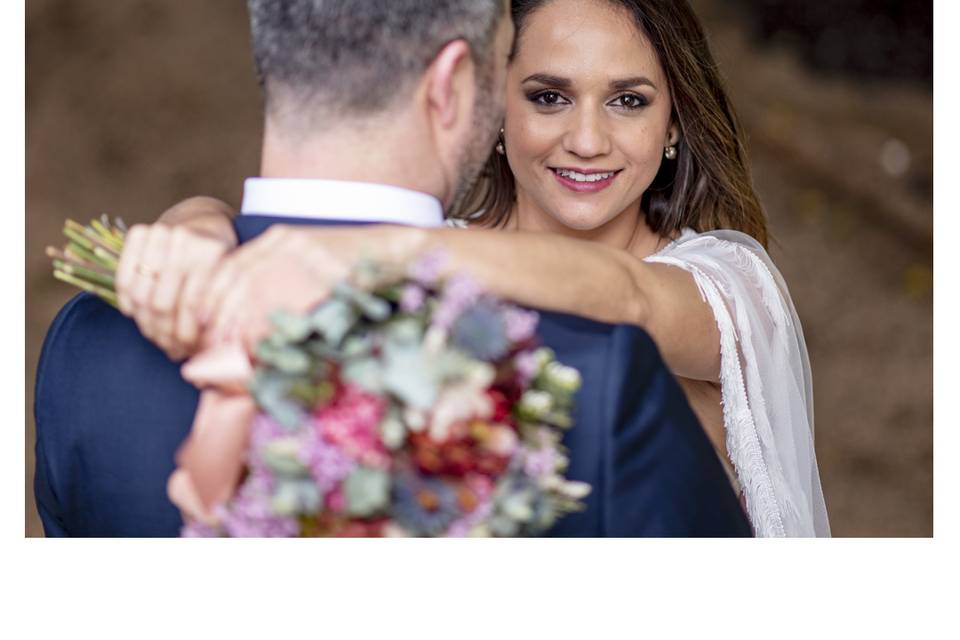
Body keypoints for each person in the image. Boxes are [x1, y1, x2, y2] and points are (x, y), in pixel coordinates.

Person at [34, 0, 750, 537]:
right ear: (453, 87)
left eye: (628, 100)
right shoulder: (592, 377)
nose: (585, 137)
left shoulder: (87, 340)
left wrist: (209, 222)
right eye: (530, 84)